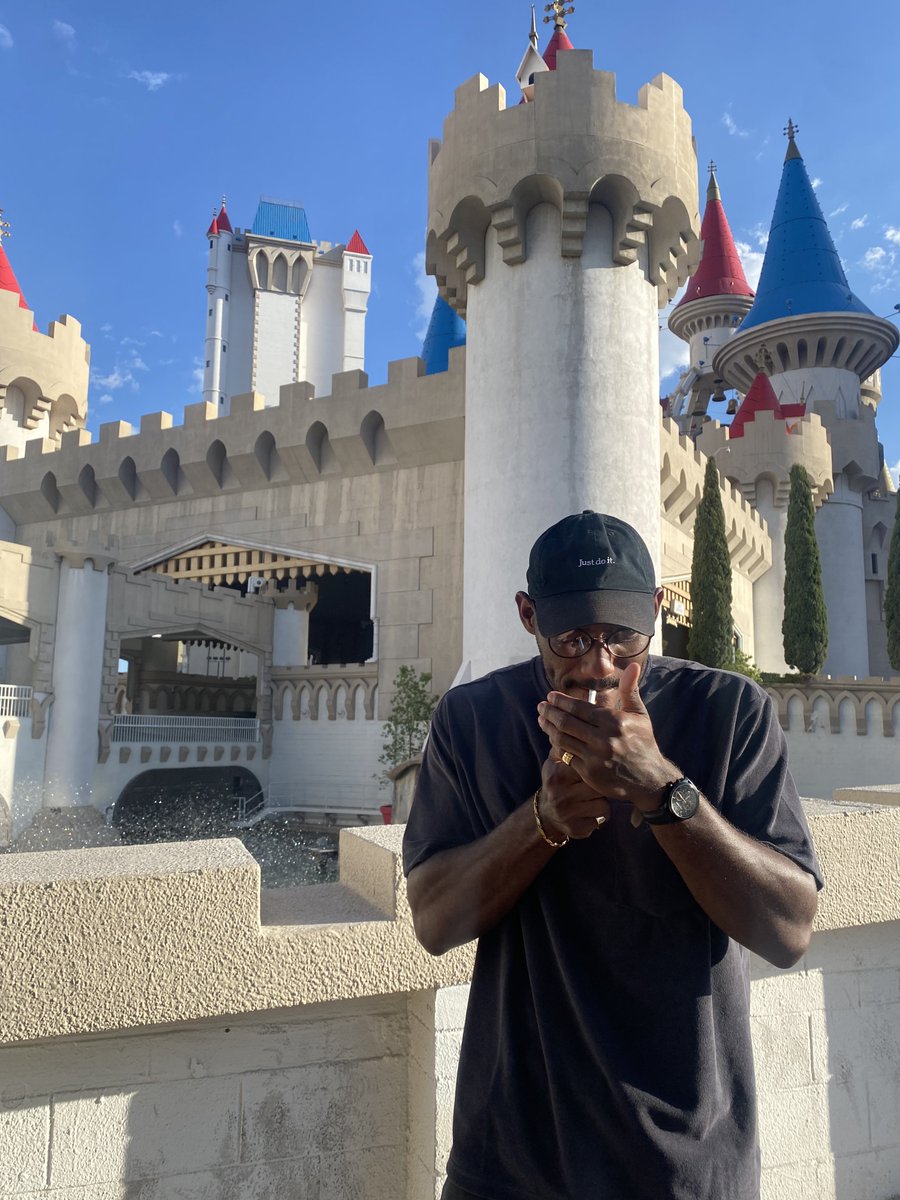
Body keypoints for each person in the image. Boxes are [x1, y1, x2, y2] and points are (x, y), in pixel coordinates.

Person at [403, 510, 822, 1200]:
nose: (599, 664)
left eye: (623, 637)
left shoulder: (728, 713)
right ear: (528, 615)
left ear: (655, 611)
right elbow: (433, 921)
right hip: (510, 1163)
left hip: (685, 1170)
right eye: (570, 638)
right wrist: (542, 822)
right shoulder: (472, 720)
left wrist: (662, 791)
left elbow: (788, 930)